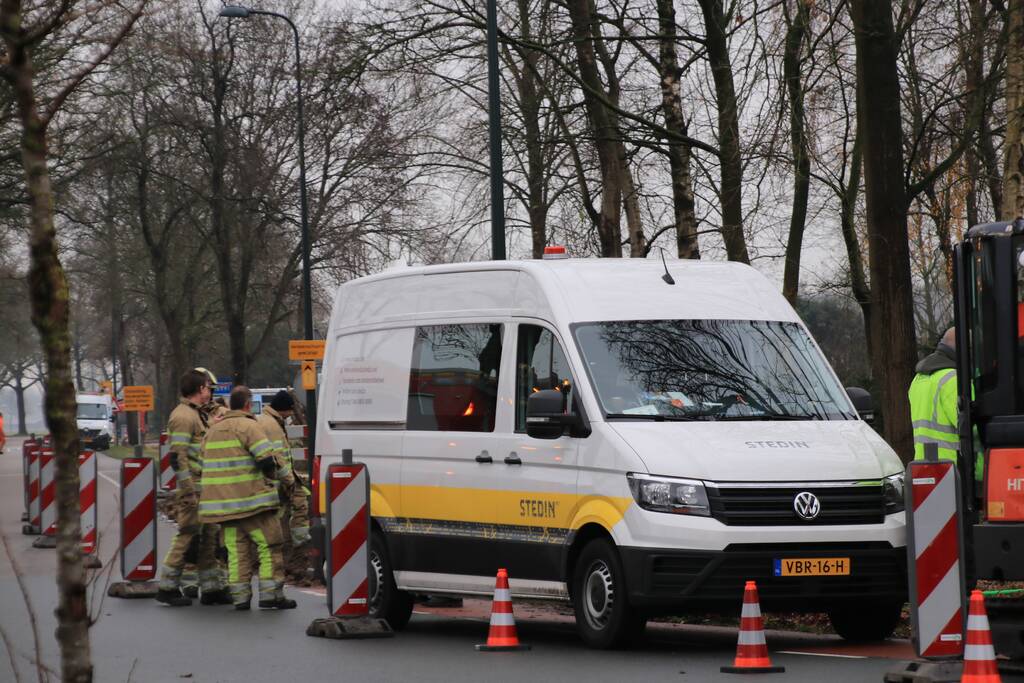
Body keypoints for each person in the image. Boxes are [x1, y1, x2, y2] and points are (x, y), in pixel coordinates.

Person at [200, 385, 295, 610]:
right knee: (269, 544)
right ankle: (271, 596)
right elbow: (267, 460)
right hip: (253, 503)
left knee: (236, 552)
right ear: (247, 405)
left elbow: (202, 459)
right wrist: (287, 481)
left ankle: (241, 598)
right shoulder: (249, 426)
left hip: (223, 508)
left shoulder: (212, 431)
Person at [155, 370, 232, 607]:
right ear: (200, 389)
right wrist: (187, 490)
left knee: (209, 536)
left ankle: (211, 588)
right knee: (187, 535)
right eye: (208, 388)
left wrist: (213, 425)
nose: (210, 392)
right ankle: (167, 587)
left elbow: (200, 442)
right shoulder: (183, 416)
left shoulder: (195, 414)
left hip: (205, 487)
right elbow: (178, 456)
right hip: (194, 489)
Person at [909, 327, 983, 480]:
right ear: (966, 350)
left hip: (924, 468)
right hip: (955, 470)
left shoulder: (918, 379)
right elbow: (971, 427)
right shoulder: (954, 379)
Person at [255, 390, 310, 547]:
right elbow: (277, 456)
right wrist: (289, 480)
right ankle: (299, 544)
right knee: (297, 504)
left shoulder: (268, 420)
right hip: (280, 478)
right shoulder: (271, 425)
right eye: (291, 410)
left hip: (276, 478)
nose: (291, 414)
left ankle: (288, 542)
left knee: (282, 513)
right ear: (284, 408)